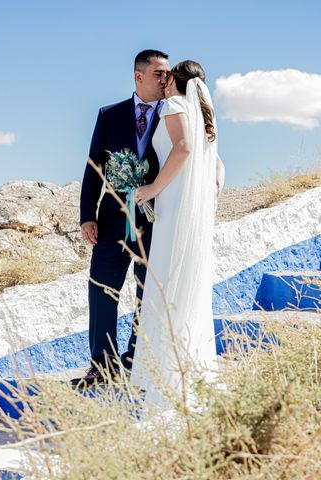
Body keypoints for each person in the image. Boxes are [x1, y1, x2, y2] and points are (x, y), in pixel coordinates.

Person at [72, 49, 171, 388]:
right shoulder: (109, 114)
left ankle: (134, 360)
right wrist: (87, 215)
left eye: (167, 73)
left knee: (147, 294)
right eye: (158, 73)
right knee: (101, 290)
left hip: (157, 221)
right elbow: (94, 168)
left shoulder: (174, 114)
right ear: (138, 75)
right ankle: (101, 365)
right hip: (111, 221)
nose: (165, 79)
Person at [130, 60, 224, 410]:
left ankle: (163, 372)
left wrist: (153, 188)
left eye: (166, 77)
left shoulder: (173, 105)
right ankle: (187, 365)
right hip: (190, 205)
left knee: (168, 278)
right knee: (184, 281)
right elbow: (218, 166)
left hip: (172, 203)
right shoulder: (204, 117)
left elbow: (181, 149)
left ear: (173, 81)